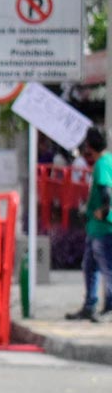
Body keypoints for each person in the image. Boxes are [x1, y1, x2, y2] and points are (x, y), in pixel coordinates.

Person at [65, 126, 112, 322]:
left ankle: (108, 307)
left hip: (102, 228)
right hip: (96, 227)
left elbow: (106, 189)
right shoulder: (108, 160)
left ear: (89, 146)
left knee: (106, 268)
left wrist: (104, 209)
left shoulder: (102, 164)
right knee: (90, 266)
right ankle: (90, 305)